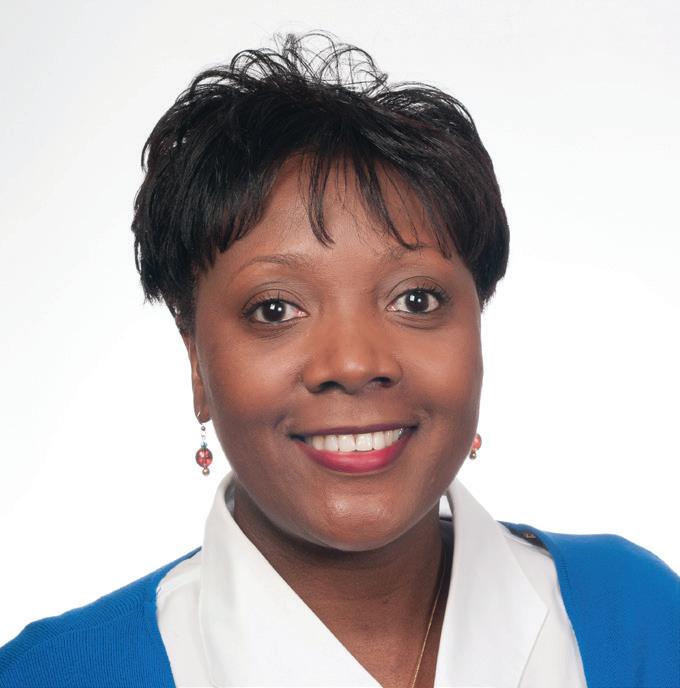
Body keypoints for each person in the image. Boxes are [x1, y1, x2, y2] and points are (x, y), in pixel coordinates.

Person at [0, 31, 677, 688]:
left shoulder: (641, 614)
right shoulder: (52, 675)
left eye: (416, 299)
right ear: (197, 366)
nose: (353, 364)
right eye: (274, 309)